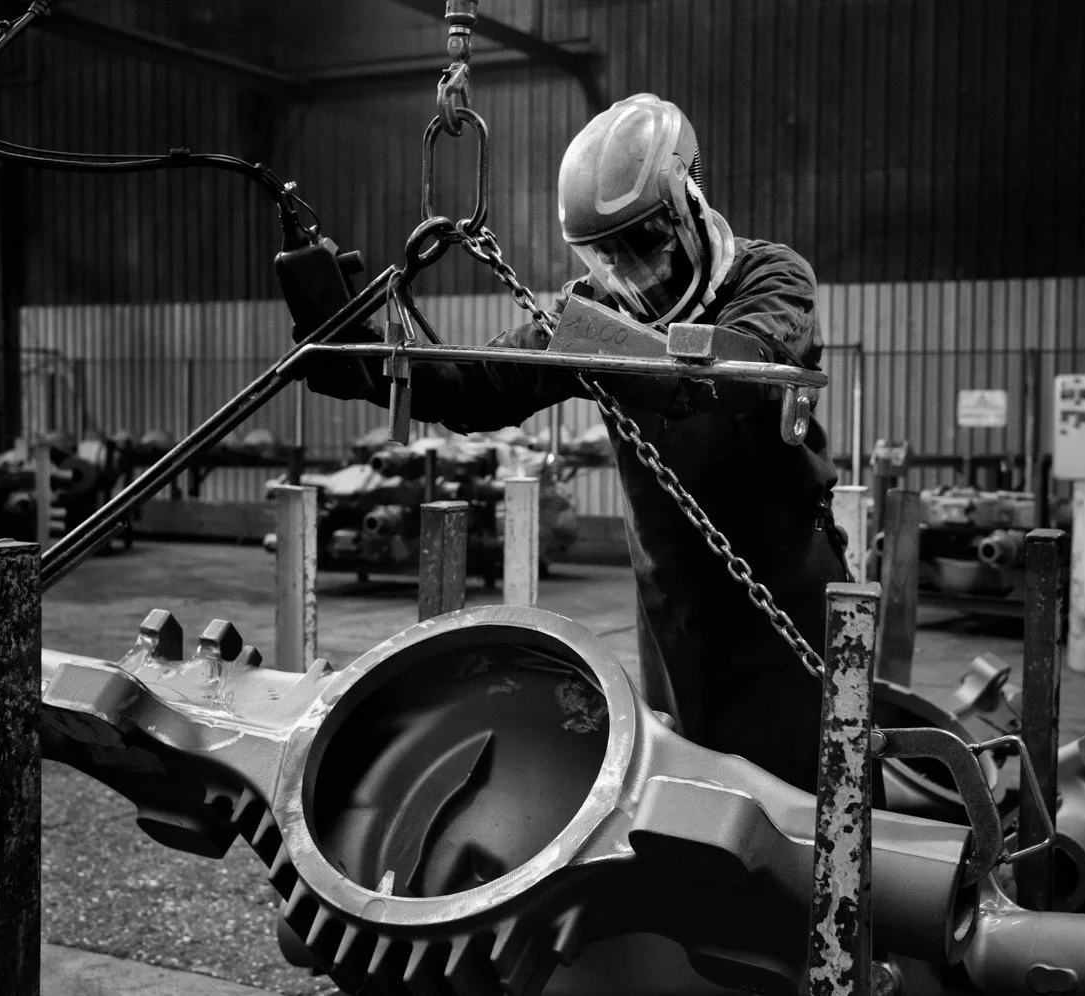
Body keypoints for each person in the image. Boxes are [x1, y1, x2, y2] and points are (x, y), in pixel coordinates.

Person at [313, 93, 849, 791]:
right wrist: (356, 358)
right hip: (673, 617)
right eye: (608, 257)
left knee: (810, 806)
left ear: (690, 206)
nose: (635, 274)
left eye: (647, 246)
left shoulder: (769, 276)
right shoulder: (595, 315)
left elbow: (731, 371)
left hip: (788, 598)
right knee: (698, 804)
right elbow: (477, 387)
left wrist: (594, 339)